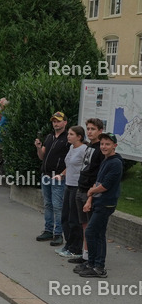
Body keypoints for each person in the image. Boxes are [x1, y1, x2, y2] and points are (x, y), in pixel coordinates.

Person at [78, 133, 123, 278]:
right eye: (102, 144)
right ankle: (92, 264)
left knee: (92, 232)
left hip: (106, 204)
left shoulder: (115, 163)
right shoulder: (106, 160)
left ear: (114, 146)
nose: (104, 147)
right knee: (97, 233)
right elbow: (97, 182)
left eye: (107, 144)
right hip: (98, 201)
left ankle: (99, 267)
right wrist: (89, 199)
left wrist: (91, 191)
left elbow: (105, 186)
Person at [71, 118, 105, 265]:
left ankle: (92, 258)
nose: (90, 132)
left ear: (100, 131)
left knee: (91, 227)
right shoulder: (89, 146)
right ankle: (85, 255)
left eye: (93, 129)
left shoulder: (100, 149)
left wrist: (91, 194)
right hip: (81, 188)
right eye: (88, 129)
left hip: (90, 191)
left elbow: (99, 174)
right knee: (84, 224)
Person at [34, 112, 69, 246]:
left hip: (58, 177)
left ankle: (58, 234)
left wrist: (62, 174)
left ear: (65, 123)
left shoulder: (67, 139)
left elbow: (71, 161)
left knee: (58, 206)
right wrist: (38, 147)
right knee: (48, 204)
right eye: (54, 121)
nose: (56, 123)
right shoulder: (49, 137)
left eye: (58, 121)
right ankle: (48, 230)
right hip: (46, 175)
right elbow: (42, 156)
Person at [56, 125, 88, 259]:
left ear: (79, 137)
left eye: (71, 134)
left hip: (77, 186)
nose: (68, 136)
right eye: (68, 134)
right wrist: (61, 175)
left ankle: (76, 248)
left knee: (74, 219)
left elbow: (86, 168)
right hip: (68, 184)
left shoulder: (83, 149)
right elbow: (69, 165)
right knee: (65, 217)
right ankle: (68, 244)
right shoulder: (71, 148)